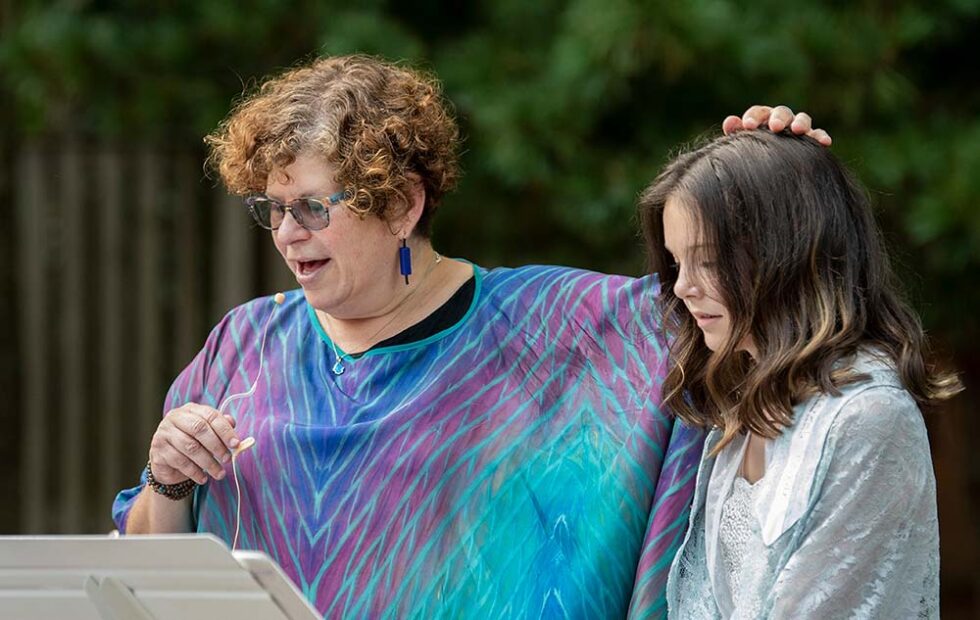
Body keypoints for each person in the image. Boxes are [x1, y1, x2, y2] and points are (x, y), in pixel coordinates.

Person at [112, 54, 827, 618]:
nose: (287, 233)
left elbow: (736, 302)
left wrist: (775, 189)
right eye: (271, 209)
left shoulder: (560, 328)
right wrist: (167, 480)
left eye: (311, 207)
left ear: (401, 204)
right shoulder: (245, 344)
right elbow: (140, 582)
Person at [637, 129, 962, 618]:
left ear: (786, 251)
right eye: (677, 261)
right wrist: (748, 162)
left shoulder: (865, 416)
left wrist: (773, 171)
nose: (682, 287)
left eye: (706, 259)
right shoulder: (745, 395)